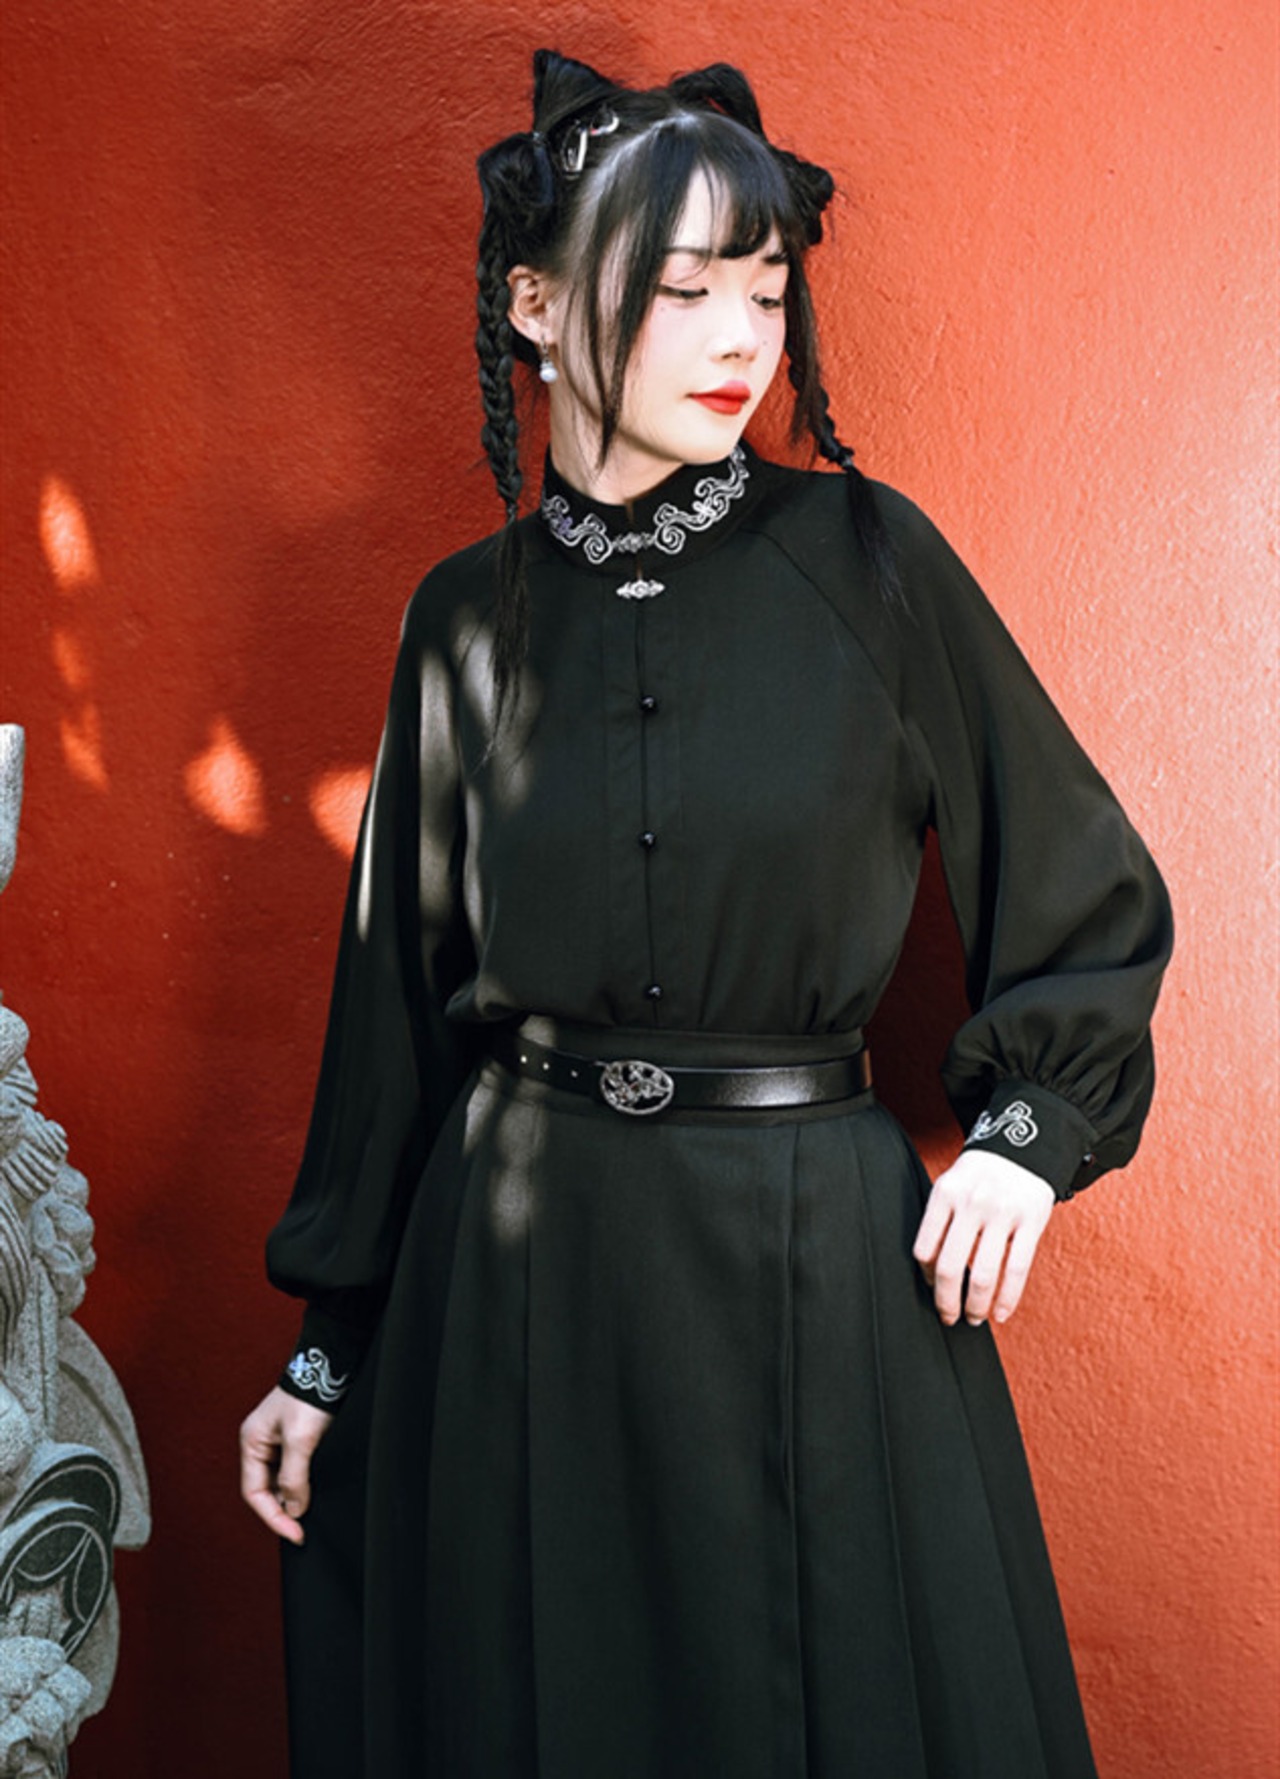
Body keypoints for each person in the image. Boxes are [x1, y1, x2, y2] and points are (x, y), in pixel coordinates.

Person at [239, 49, 1172, 1779]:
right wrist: (329, 1354)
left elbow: (1085, 888)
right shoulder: (460, 619)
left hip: (815, 1268)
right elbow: (397, 1010)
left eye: (764, 287)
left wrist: (1028, 1141)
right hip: (515, 1287)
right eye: (683, 292)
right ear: (534, 306)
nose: (743, 337)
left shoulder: (877, 567)